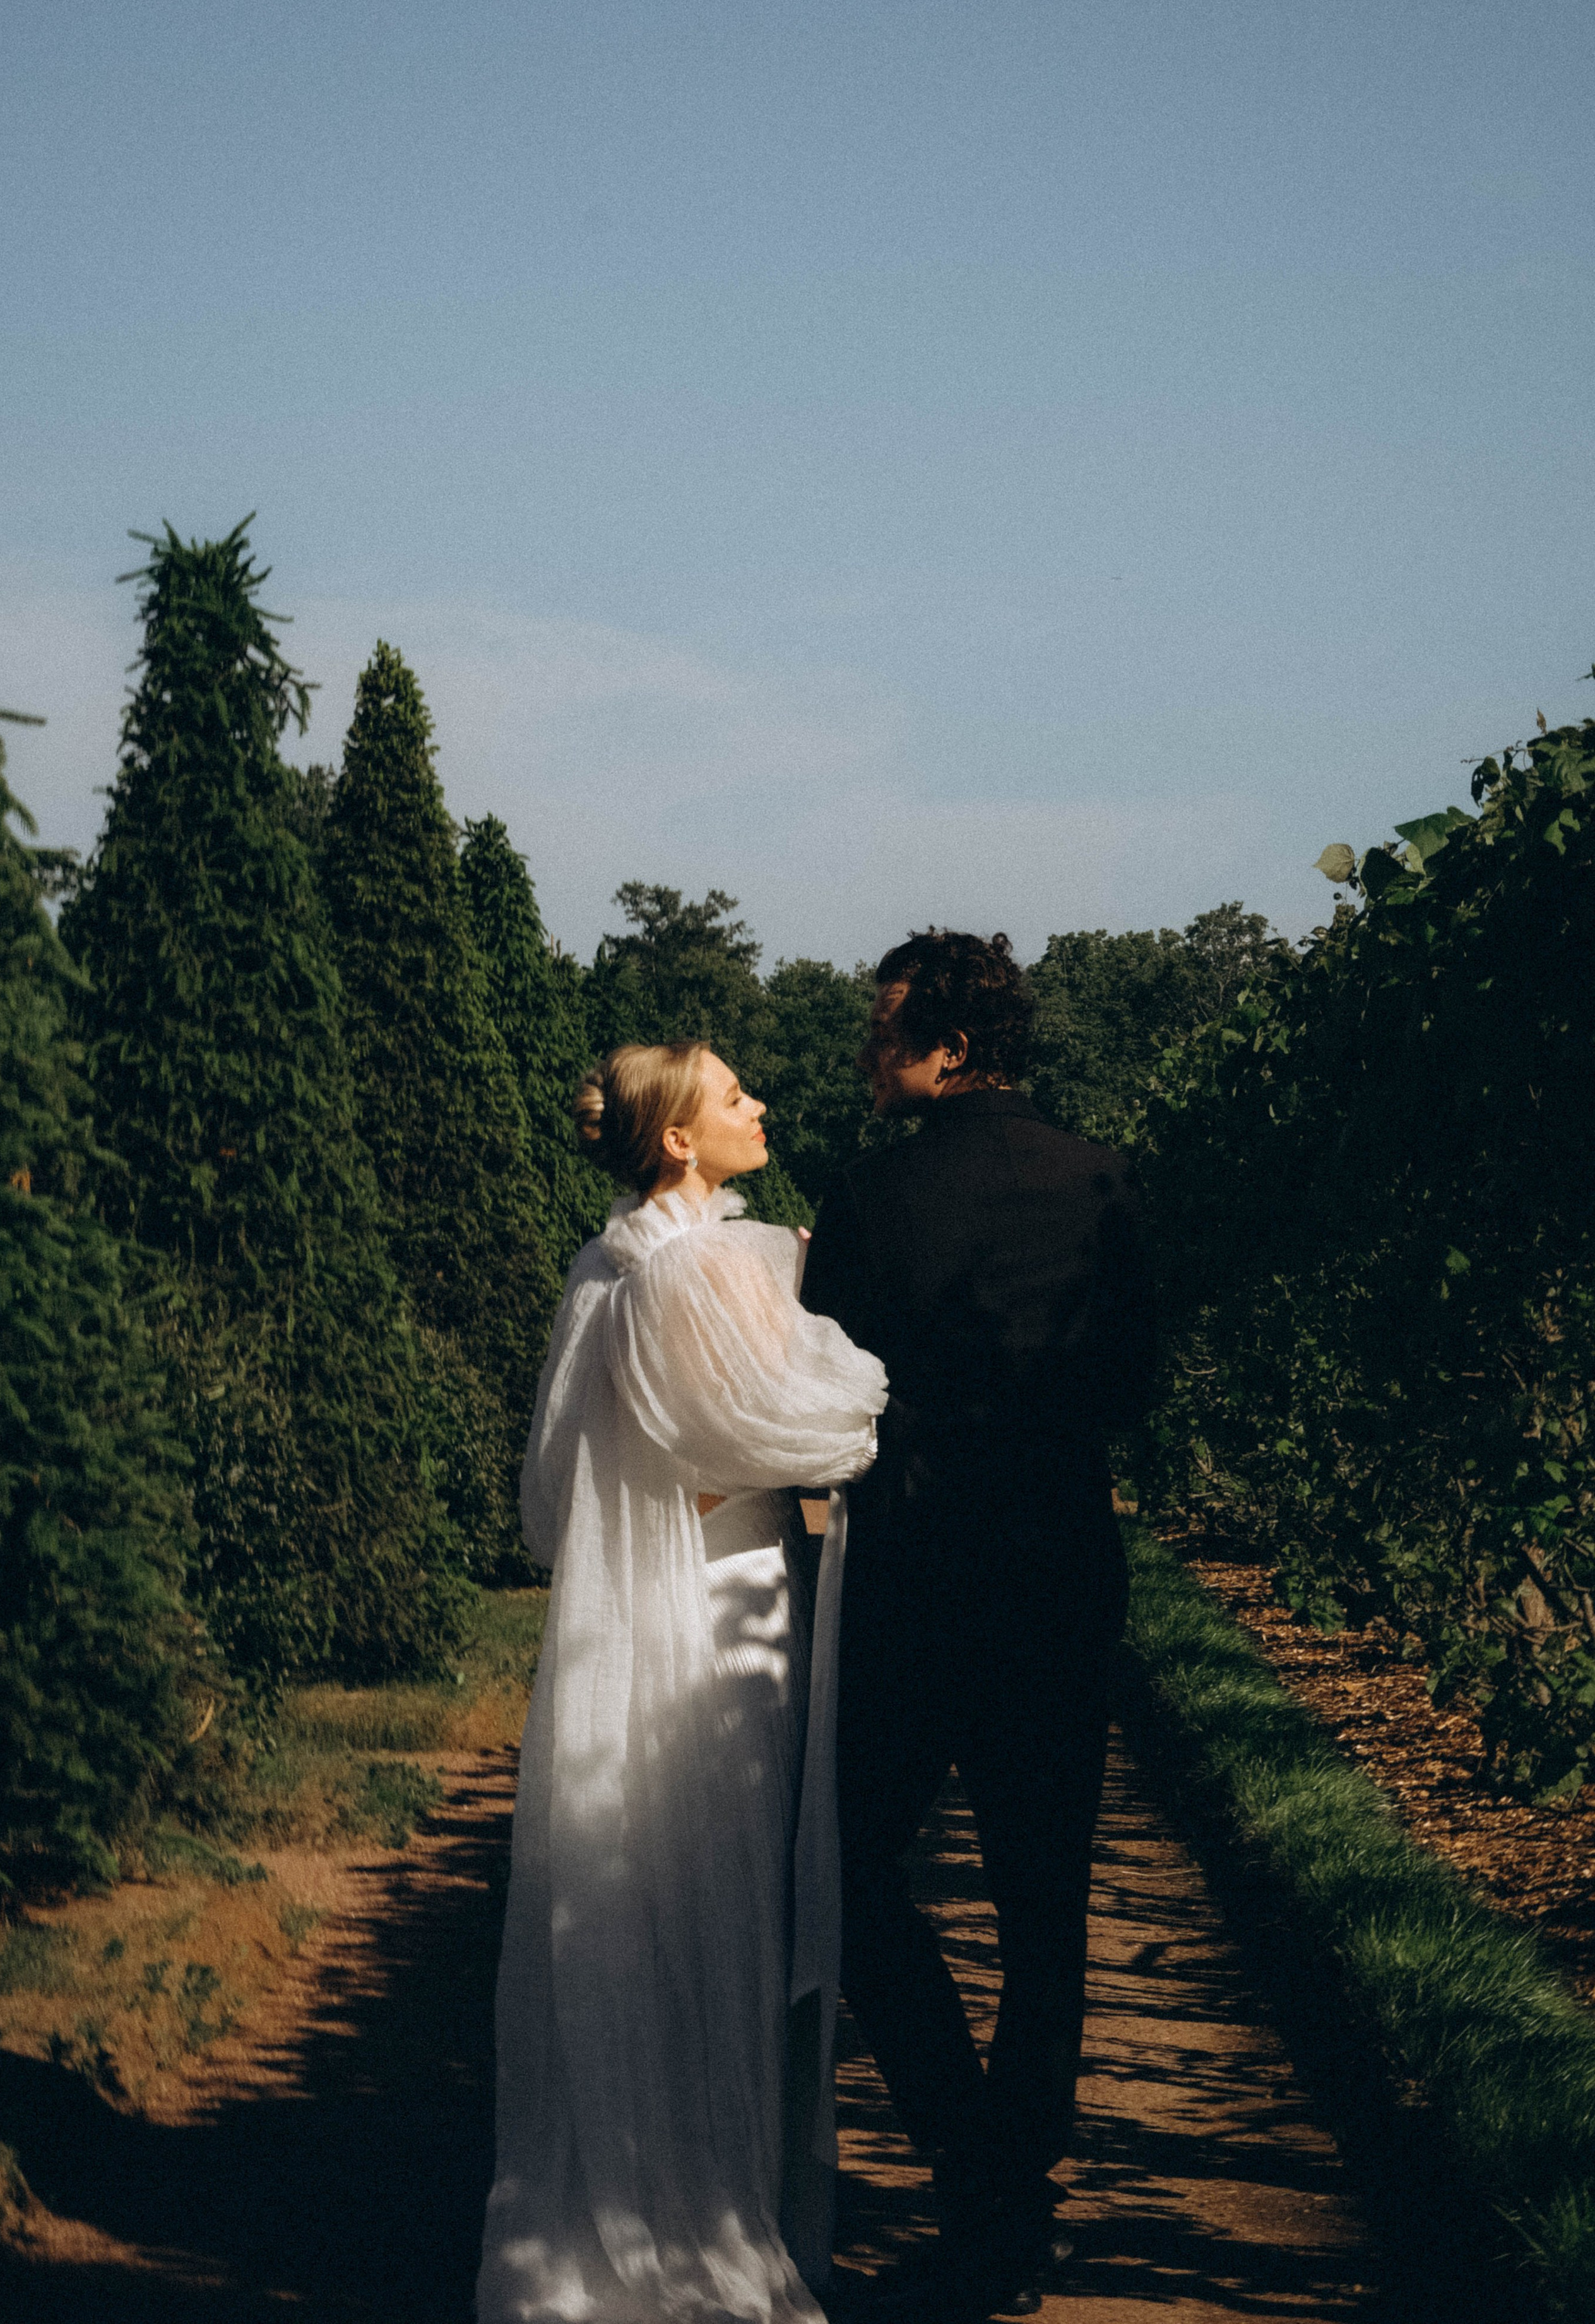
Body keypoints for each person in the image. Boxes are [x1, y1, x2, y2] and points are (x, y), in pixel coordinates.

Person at [477, 1040, 887, 2324]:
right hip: (726, 1607)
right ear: (676, 1141)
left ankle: (642, 2164)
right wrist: (864, 1385)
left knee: (641, 1882)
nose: (758, 1105)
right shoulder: (698, 1270)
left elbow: (555, 1495)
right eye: (731, 1097)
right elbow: (795, 1436)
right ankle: (710, 2202)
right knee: (722, 1891)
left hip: (642, 1611)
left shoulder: (606, 1267)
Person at [800, 930, 1156, 2320]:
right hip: (1058, 1570)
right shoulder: (1102, 1178)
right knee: (1041, 1902)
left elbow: (824, 1385)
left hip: (917, 1573)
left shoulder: (874, 1195)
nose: (865, 1053)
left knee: (850, 1869)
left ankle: (968, 2160)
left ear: (950, 1044)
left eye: (882, 1028)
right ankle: (1018, 2178)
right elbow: (1130, 1380)